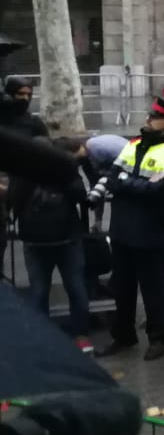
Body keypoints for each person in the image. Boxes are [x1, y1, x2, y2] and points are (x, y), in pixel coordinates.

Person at [97, 97, 164, 361]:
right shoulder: (133, 144)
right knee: (121, 288)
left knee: (153, 290)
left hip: (152, 233)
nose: (148, 119)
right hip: (122, 230)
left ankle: (158, 339)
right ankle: (123, 336)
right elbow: (113, 177)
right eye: (149, 115)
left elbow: (160, 192)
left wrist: (127, 184)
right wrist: (132, 184)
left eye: (155, 116)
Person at [13, 136, 96, 352]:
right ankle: (81, 336)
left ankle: (41, 339)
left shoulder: (22, 173)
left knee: (39, 291)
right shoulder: (62, 170)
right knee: (76, 288)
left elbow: (14, 200)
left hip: (34, 241)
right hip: (67, 238)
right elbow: (80, 195)